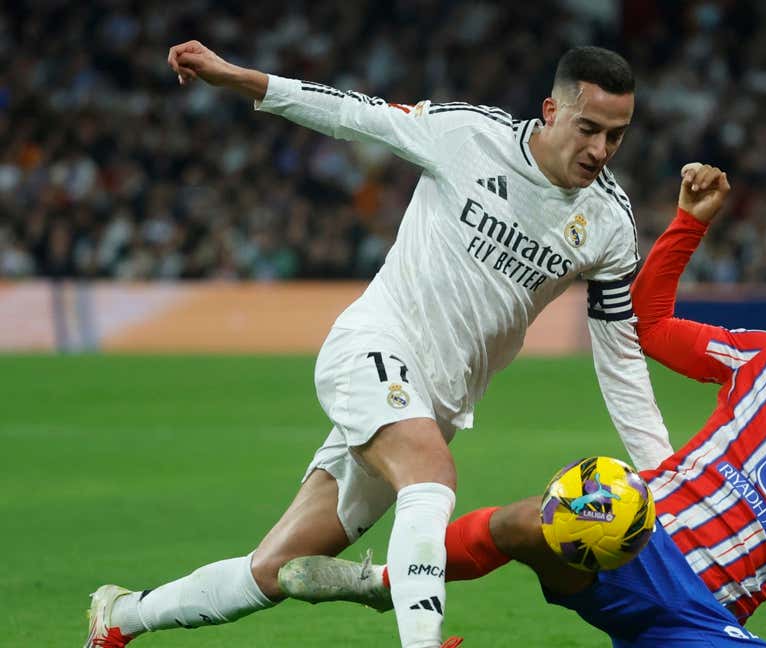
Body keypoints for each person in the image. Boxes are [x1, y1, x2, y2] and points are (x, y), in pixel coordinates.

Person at [84, 42, 675, 648]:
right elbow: (351, 112)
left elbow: (620, 356)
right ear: (552, 110)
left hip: (436, 403)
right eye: (589, 129)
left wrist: (667, 473)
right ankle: (421, 640)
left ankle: (120, 618)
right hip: (372, 346)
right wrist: (238, 78)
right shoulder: (465, 136)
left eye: (616, 136)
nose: (600, 151)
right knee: (432, 475)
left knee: (268, 573)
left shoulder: (610, 224)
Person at [281, 164, 766, 647]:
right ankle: (386, 582)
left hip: (703, 619)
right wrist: (687, 227)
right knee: (528, 521)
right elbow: (654, 326)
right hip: (633, 537)